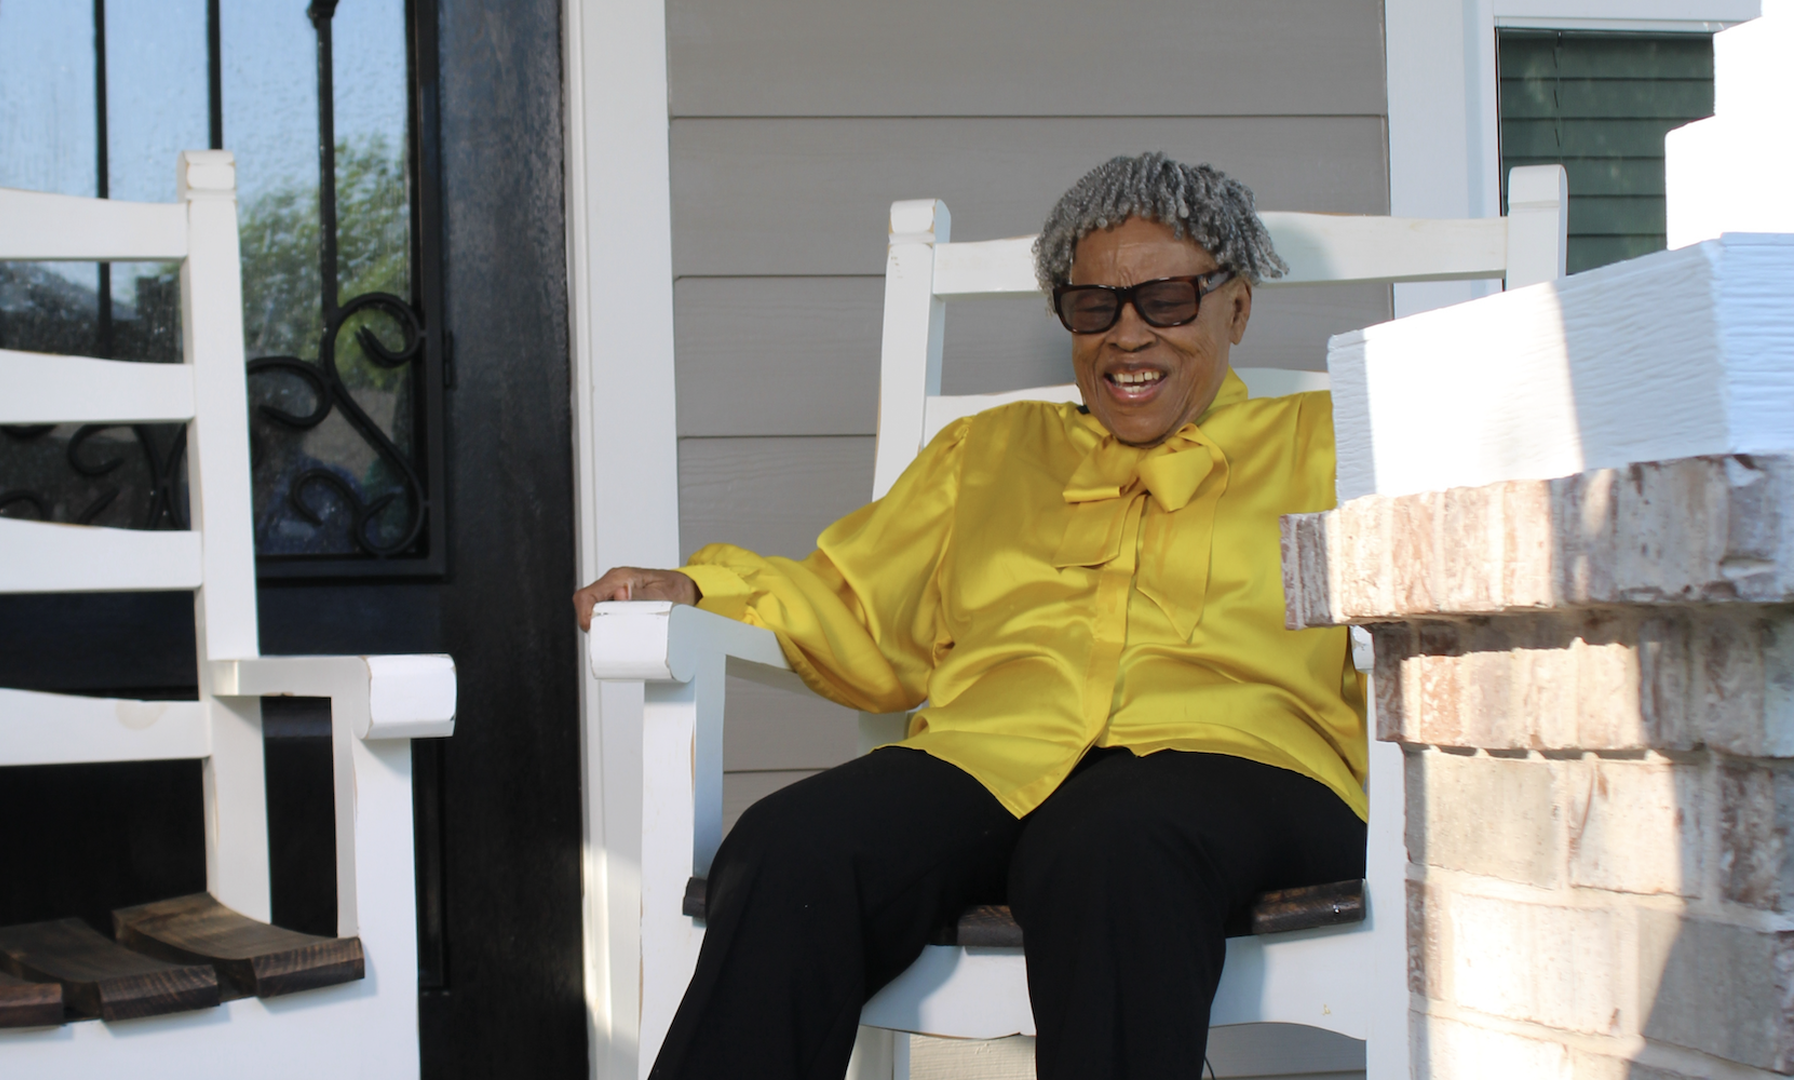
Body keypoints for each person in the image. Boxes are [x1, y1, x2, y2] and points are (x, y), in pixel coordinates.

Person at [572, 152, 1367, 1080]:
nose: (1128, 336)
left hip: (1249, 765)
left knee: (1110, 847)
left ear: (1236, 307)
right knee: (793, 848)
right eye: (1094, 307)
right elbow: (853, 604)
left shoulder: (1333, 443)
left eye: (1169, 301)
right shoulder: (989, 452)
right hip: (992, 757)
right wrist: (699, 592)